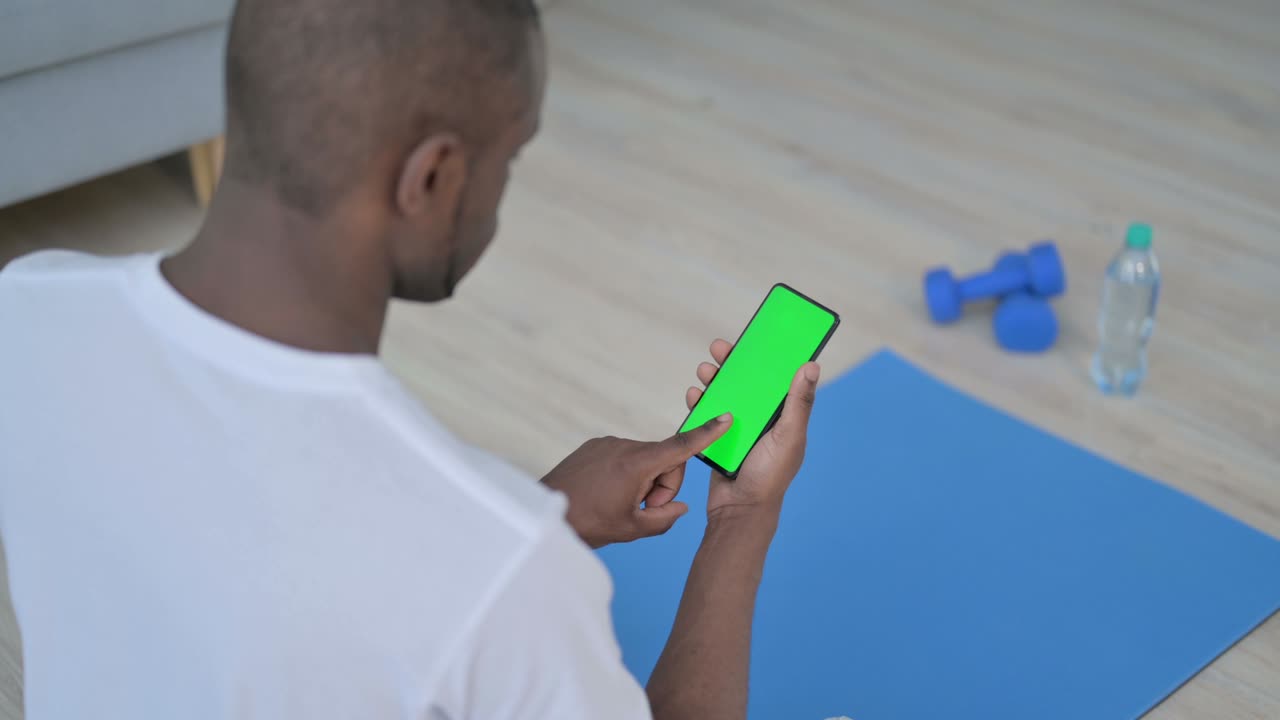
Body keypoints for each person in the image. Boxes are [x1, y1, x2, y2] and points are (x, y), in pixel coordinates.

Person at [0, 0, 821, 718]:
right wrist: (741, 517)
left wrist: (543, 515)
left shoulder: (30, 305)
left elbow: (240, 556)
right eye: (508, 159)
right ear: (431, 178)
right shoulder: (511, 575)